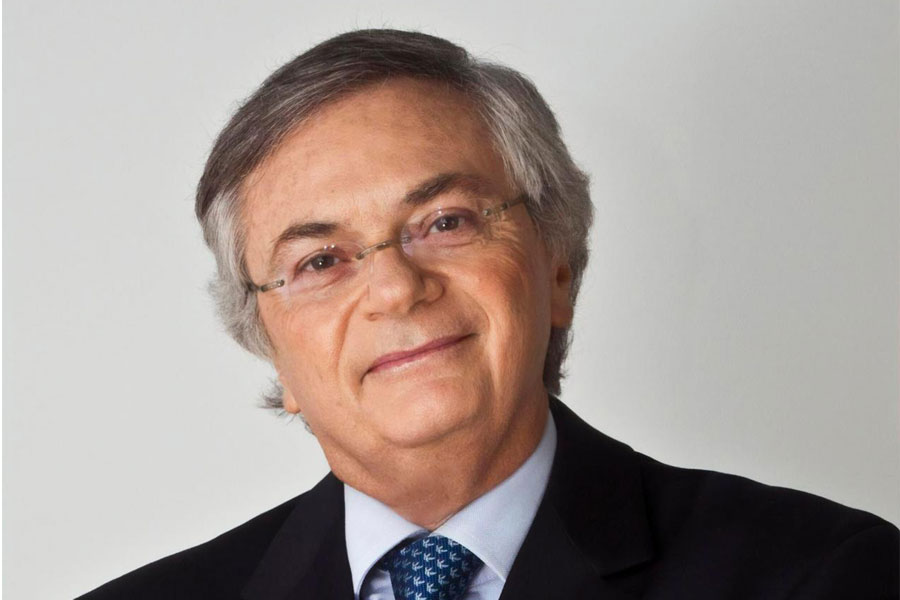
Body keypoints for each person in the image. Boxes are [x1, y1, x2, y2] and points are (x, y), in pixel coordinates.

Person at [77, 29, 898, 600]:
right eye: (320, 261)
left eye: (446, 222)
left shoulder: (826, 576)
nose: (395, 289)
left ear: (556, 265)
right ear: (268, 347)